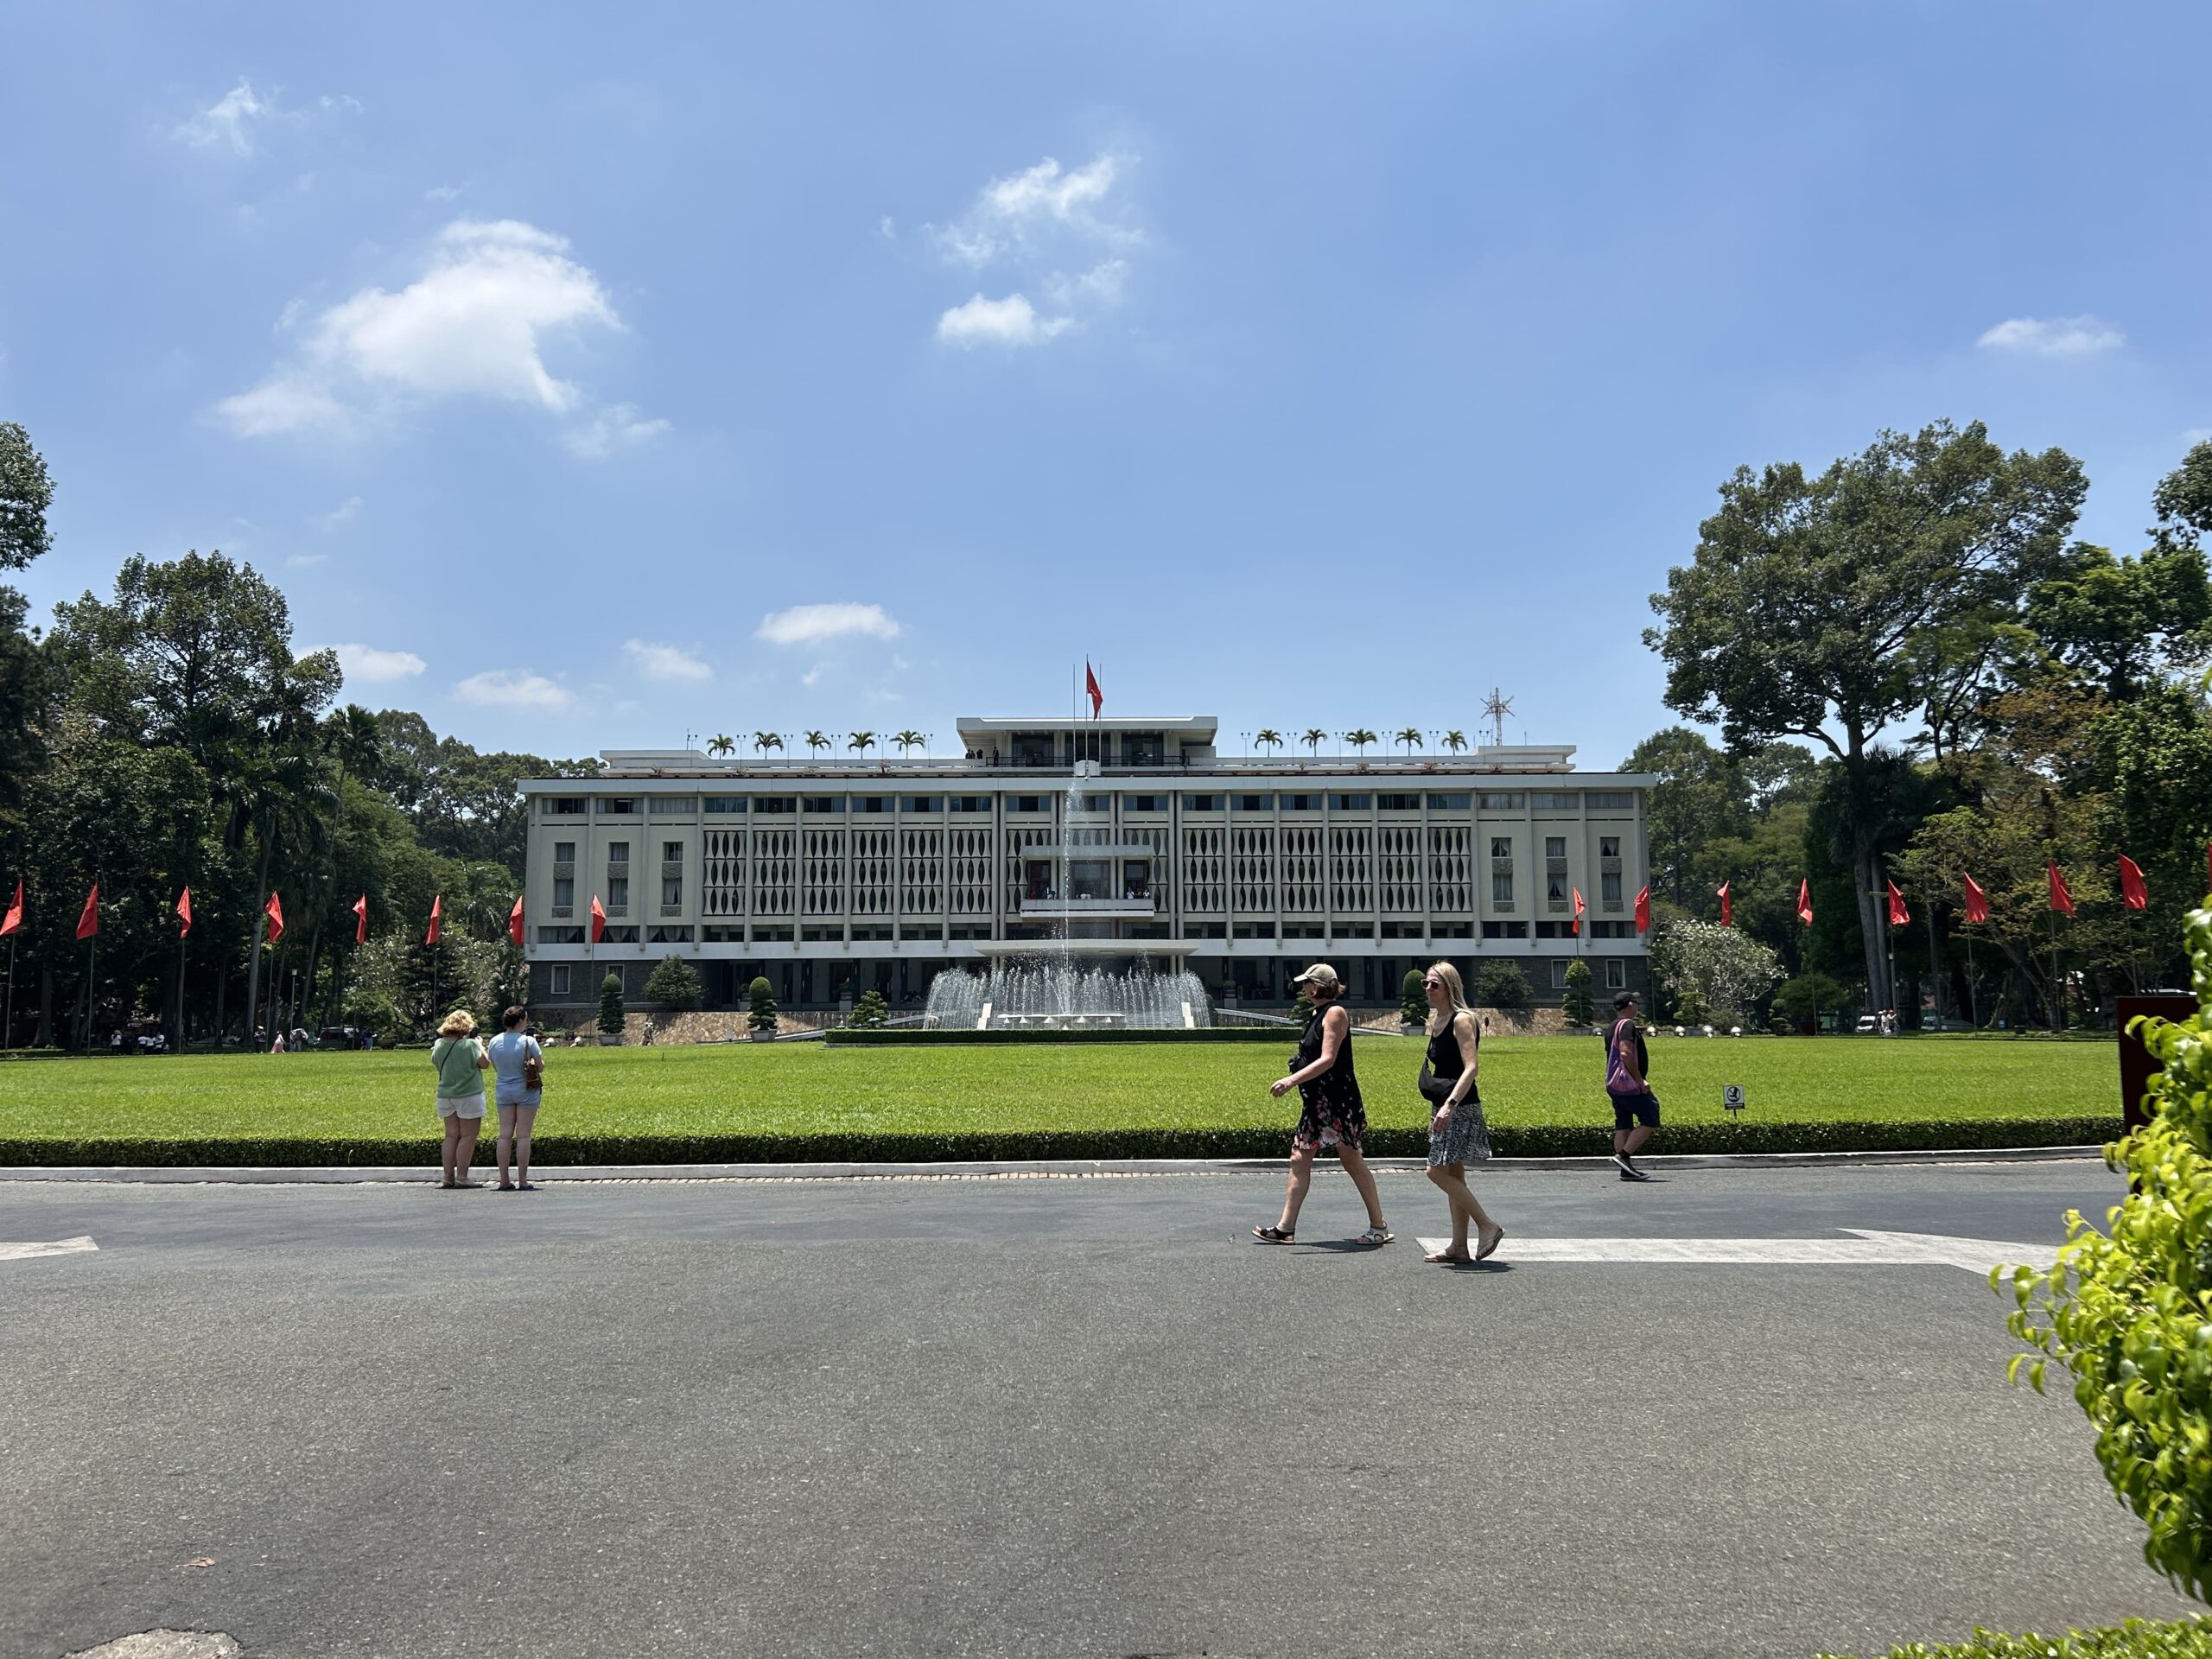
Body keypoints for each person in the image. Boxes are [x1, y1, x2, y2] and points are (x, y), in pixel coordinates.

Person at [1255, 963, 1391, 1246]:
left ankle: (1378, 1225)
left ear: (1317, 987)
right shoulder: (1318, 1013)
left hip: (1336, 1101)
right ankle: (1285, 1228)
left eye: (1306, 983)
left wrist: (1291, 1080)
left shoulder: (1335, 1013)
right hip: (1318, 1101)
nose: (1303, 988)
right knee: (1299, 1157)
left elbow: (1328, 1059)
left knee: (1351, 1160)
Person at [1418, 962, 1503, 1263]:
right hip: (1444, 1104)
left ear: (1450, 986)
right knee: (1454, 1173)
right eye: (1426, 984)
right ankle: (1459, 1247)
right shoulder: (1438, 1020)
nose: (1429, 989)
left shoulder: (1462, 1019)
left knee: (1435, 1170)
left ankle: (1487, 1225)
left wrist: (1450, 1106)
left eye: (1435, 984)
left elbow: (1471, 1067)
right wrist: (1439, 1107)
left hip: (1460, 1106)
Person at [486, 1006, 545, 1192]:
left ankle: (504, 1180)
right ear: (520, 1020)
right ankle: (523, 1180)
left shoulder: (494, 1041)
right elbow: (540, 1067)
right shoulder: (528, 1041)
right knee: (523, 1135)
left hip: (504, 1089)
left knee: (504, 1134)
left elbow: (495, 1066)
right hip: (526, 1089)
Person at [429, 1009, 491, 1188]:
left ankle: (448, 1177)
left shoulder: (439, 1044)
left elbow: (436, 1063)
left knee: (450, 1136)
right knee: (468, 1136)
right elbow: (485, 1064)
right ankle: (462, 1177)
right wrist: (480, 1045)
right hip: (469, 1094)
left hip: (445, 1094)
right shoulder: (470, 1045)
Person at [1605, 990, 1658, 1182]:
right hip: (1628, 1084)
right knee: (1651, 1115)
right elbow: (1626, 1054)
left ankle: (1625, 1170)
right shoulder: (1627, 1025)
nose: (1637, 1005)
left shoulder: (1612, 1026)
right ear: (1629, 1005)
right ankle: (1623, 1156)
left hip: (1614, 1083)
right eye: (1635, 1002)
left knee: (1623, 1123)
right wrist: (1639, 1080)